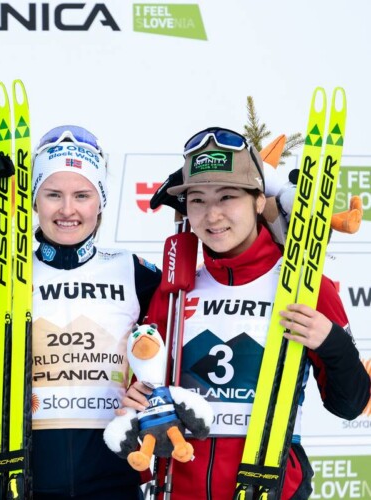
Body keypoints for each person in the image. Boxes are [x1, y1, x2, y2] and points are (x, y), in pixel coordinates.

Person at [120, 127, 371, 499]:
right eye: (198, 200)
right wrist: (137, 399)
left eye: (227, 196)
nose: (212, 214)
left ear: (258, 200)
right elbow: (146, 387)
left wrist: (331, 342)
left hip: (272, 486)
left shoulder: (304, 286)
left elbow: (350, 405)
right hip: (179, 489)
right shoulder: (174, 292)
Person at [30, 125, 162, 499]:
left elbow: (166, 357)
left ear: (100, 201)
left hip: (114, 476)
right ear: (36, 199)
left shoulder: (136, 272)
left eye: (82, 195)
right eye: (53, 194)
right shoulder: (9, 278)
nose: (67, 209)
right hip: (29, 477)